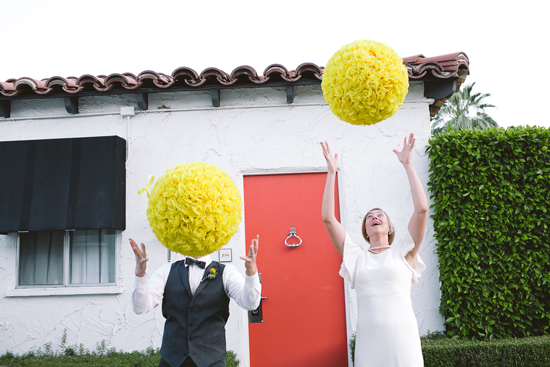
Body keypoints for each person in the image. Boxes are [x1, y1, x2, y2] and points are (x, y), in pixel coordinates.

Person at [320, 133, 428, 367]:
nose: (375, 217)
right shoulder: (356, 257)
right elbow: (328, 218)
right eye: (370, 217)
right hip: (370, 344)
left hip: (403, 342)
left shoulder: (403, 252)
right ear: (366, 231)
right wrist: (331, 173)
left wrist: (408, 164)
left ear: (389, 227)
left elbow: (421, 210)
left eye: (380, 215)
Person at [130, 235, 262, 367]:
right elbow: (140, 307)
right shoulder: (166, 271)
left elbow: (250, 303)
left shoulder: (227, 272)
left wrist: (251, 272)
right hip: (171, 360)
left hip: (212, 360)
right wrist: (140, 275)